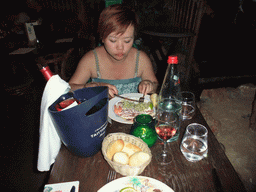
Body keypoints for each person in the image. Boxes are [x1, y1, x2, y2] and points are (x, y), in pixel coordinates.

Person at [69, 4, 158, 98]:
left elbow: (155, 83)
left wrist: (149, 84)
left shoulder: (140, 59)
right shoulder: (91, 60)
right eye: (113, 40)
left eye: (127, 40)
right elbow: (69, 88)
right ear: (102, 38)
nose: (120, 47)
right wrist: (88, 87)